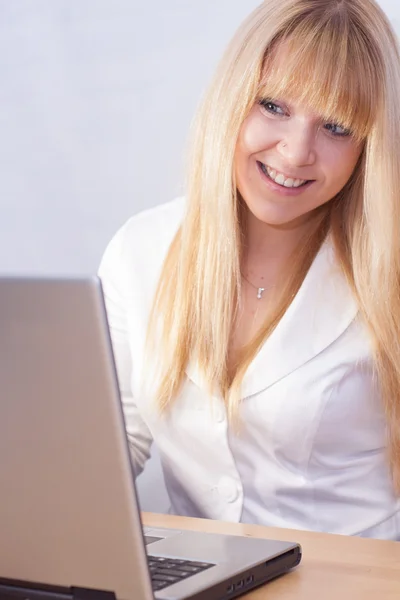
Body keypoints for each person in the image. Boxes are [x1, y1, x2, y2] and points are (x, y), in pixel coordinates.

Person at [98, 0, 400, 540]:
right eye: (274, 107)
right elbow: (115, 444)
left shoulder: (389, 273)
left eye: (335, 126)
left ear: (368, 146)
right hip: (200, 580)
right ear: (232, 100)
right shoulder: (139, 249)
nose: (295, 151)